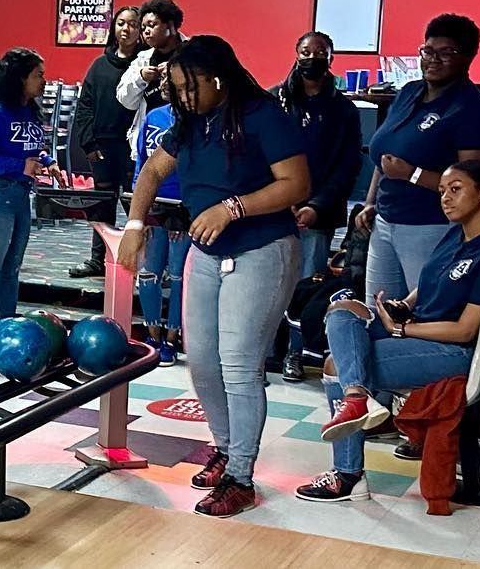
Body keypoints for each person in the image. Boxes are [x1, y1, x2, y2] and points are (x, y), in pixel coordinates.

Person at [119, 35, 310, 518]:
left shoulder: (263, 114)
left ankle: (241, 476)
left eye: (191, 87)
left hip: (262, 248)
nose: (182, 97)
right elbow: (152, 171)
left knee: (239, 365)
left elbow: (296, 184)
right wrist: (135, 226)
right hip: (206, 252)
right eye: (176, 88)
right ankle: (225, 449)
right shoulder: (190, 121)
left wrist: (232, 208)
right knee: (202, 360)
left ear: (218, 79)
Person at [296, 160, 480, 503]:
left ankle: (348, 474)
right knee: (342, 312)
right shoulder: (456, 233)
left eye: (455, 189)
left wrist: (403, 328)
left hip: (452, 353)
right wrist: (402, 305)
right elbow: (428, 283)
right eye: (442, 191)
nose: (445, 198)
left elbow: (465, 330)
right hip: (417, 331)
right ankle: (357, 397)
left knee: (336, 365)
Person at [356, 15, 480, 306]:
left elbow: (474, 186)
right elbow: (385, 160)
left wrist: (412, 174)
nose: (433, 59)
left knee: (425, 310)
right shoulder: (409, 93)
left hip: (431, 226)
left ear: (468, 57)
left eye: (446, 53)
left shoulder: (472, 110)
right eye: (428, 51)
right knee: (378, 308)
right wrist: (371, 203)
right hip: (384, 221)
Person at [273, 32, 363, 382]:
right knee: (268, 280)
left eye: (319, 52)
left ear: (331, 58)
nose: (311, 57)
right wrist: (278, 199)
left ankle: (295, 353)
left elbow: (347, 165)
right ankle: (265, 349)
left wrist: (316, 205)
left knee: (307, 285)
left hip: (317, 214)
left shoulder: (343, 110)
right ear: (295, 54)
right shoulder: (276, 100)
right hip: (274, 209)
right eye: (305, 51)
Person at [0, 48, 66, 320]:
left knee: (12, 267)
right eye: (38, 75)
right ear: (21, 78)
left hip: (20, 193)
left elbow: (31, 147)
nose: (44, 81)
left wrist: (48, 161)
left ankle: (8, 324)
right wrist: (20, 166)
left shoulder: (29, 111)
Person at [69, 5, 143, 279]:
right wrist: (88, 144)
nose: (126, 29)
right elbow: (85, 107)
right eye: (121, 23)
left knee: (136, 206)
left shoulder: (144, 66)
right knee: (102, 206)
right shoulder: (99, 66)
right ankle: (97, 259)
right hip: (102, 147)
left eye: (133, 24)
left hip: (133, 149)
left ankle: (144, 262)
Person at [133, 103, 189, 367]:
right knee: (148, 273)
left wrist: (186, 214)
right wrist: (139, 212)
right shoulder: (153, 116)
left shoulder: (196, 118)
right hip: (153, 206)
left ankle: (172, 338)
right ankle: (153, 336)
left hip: (184, 209)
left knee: (178, 275)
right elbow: (141, 164)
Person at [116, 0, 183, 161]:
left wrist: (178, 71)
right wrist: (141, 77)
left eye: (152, 25)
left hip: (184, 137)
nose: (146, 31)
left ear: (170, 26)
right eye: (143, 27)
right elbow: (125, 100)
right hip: (151, 138)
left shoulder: (192, 53)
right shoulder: (142, 59)